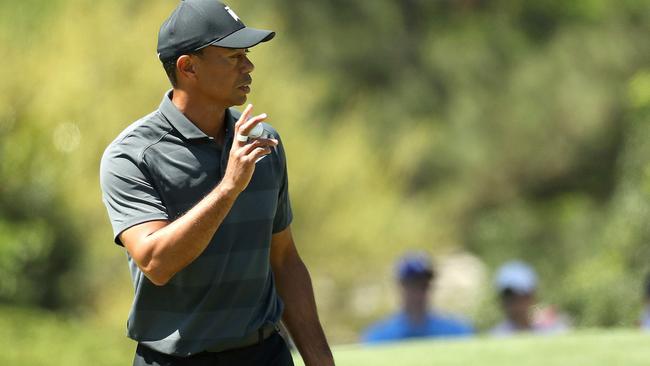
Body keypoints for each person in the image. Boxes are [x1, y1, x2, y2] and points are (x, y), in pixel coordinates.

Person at [99, 1, 334, 365]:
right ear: (188, 67)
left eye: (247, 54)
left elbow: (285, 260)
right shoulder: (133, 155)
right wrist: (229, 188)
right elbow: (156, 262)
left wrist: (320, 361)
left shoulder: (263, 141)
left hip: (265, 354)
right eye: (233, 56)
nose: (249, 66)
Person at [361, 253, 474, 343]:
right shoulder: (379, 337)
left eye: (423, 286)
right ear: (400, 287)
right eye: (413, 286)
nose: (418, 293)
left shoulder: (455, 332)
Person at [491, 260, 570, 336]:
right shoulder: (497, 336)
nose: (517, 303)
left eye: (522, 296)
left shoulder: (553, 330)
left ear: (533, 296)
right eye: (510, 297)